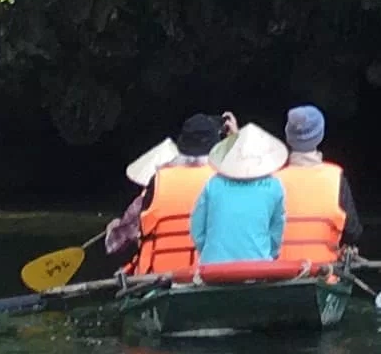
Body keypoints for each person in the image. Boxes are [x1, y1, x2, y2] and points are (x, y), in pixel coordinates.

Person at [110, 112, 225, 275]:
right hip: (212, 275)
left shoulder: (157, 182)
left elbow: (114, 244)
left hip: (158, 278)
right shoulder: (227, 181)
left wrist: (113, 228)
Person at [188, 121, 296, 267]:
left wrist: (210, 253)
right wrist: (268, 254)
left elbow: (197, 230)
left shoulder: (213, 184)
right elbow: (276, 233)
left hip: (213, 269)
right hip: (258, 267)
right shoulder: (274, 186)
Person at [276, 105, 357, 266]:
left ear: (288, 136)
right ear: (320, 136)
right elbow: (353, 232)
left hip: (280, 279)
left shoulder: (273, 181)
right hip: (324, 278)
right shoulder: (336, 177)